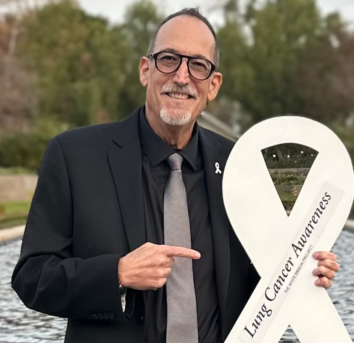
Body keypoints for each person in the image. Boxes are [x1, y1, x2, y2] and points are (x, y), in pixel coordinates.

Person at [12, 8, 340, 343]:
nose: (182, 77)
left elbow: (263, 281)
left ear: (213, 85)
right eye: (169, 59)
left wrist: (304, 273)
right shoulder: (74, 157)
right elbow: (32, 278)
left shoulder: (243, 167)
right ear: (145, 70)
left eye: (198, 65)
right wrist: (117, 273)